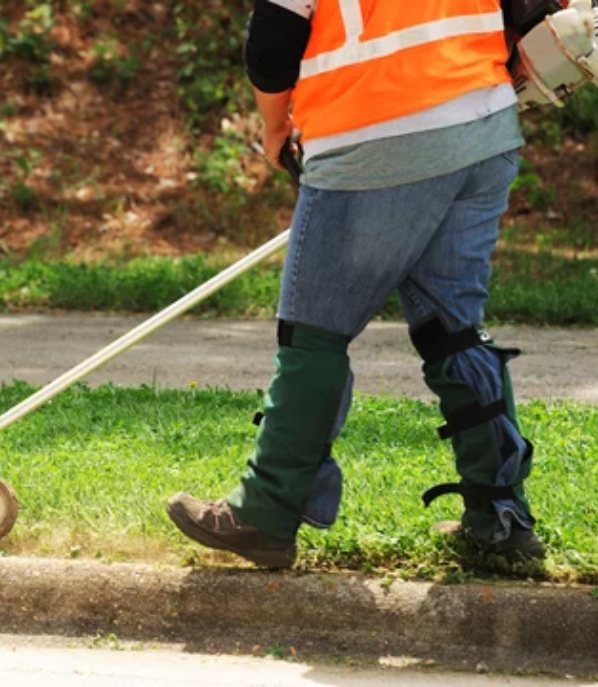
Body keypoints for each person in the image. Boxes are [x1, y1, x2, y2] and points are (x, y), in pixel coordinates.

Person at [166, 0, 545, 569]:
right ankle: (500, 519)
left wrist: (275, 128)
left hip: (374, 135)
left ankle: (266, 513)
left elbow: (273, 40)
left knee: (314, 333)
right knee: (454, 331)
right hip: (483, 129)